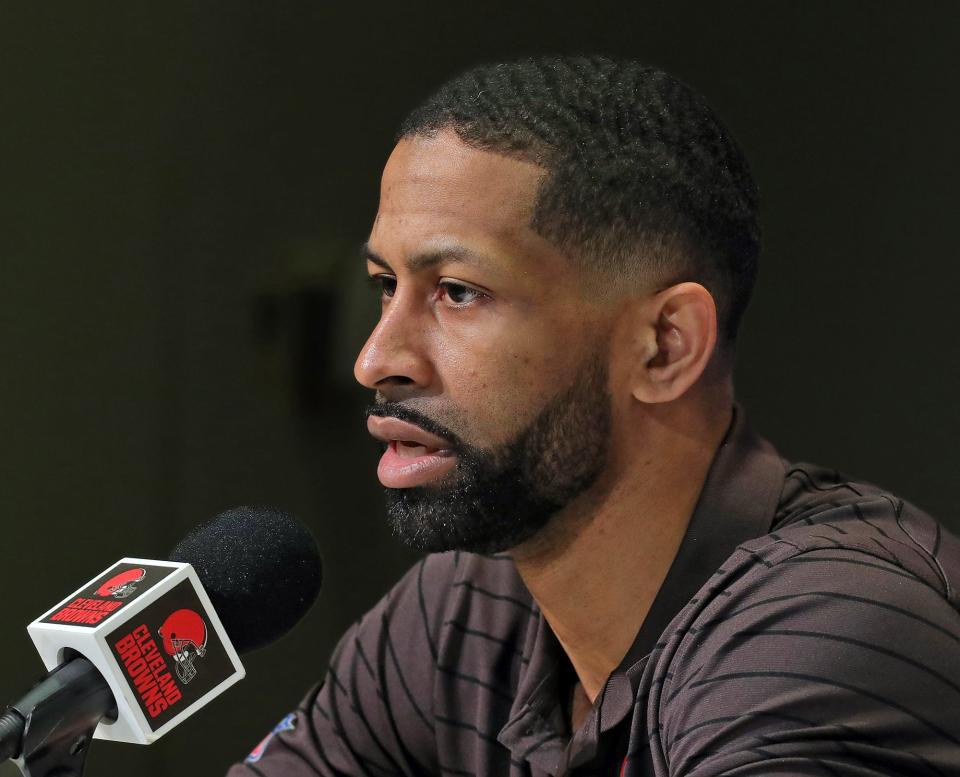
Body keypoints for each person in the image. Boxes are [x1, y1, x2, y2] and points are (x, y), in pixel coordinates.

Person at [228, 56, 960, 776]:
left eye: (456, 291)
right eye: (387, 285)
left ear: (664, 346)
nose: (375, 359)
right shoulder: (463, 613)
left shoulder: (821, 634)